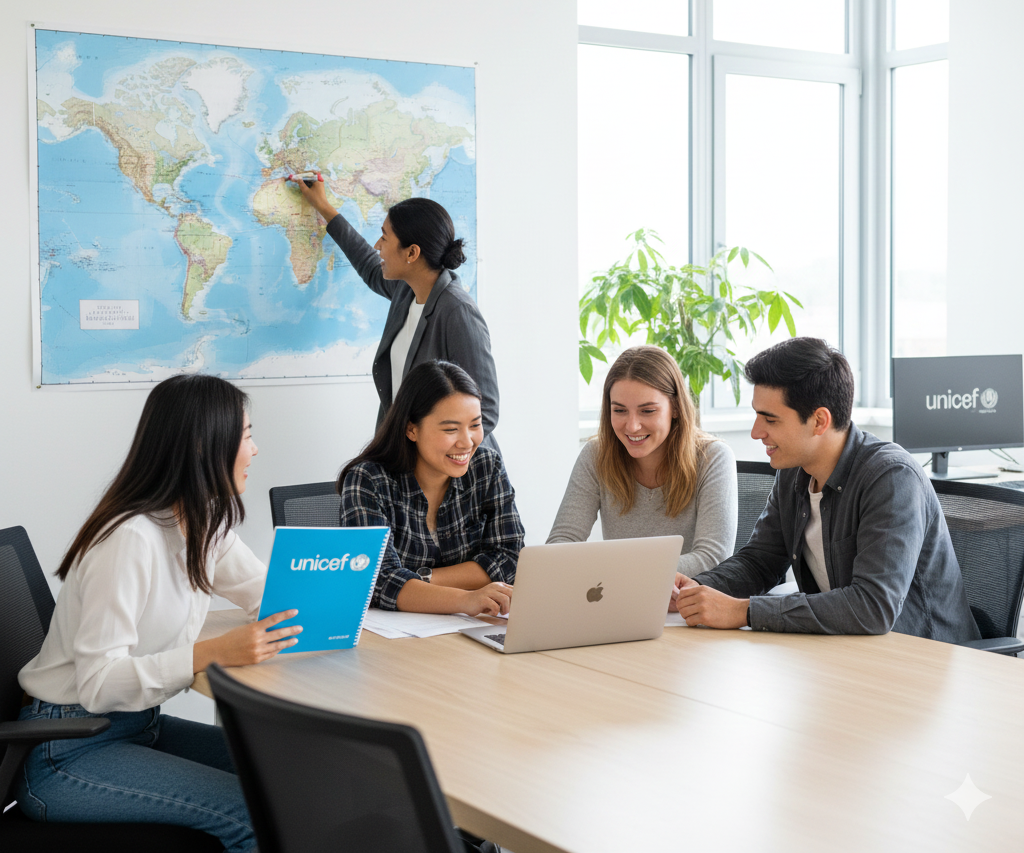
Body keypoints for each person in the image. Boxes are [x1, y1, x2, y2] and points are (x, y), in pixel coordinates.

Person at [16, 375, 302, 852]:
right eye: (247, 435)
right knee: (252, 815)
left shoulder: (201, 521)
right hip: (68, 749)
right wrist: (207, 653)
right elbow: (98, 683)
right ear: (202, 446)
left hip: (137, 728)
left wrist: (332, 584)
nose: (256, 449)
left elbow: (268, 594)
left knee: (292, 783)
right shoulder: (129, 539)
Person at [674, 337, 981, 643]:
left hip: (923, 659)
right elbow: (760, 562)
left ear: (819, 420)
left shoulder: (891, 478)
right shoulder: (794, 470)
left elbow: (873, 606)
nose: (757, 432)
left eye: (770, 419)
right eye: (757, 415)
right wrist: (695, 589)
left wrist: (745, 612)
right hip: (846, 652)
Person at [288, 176, 500, 446]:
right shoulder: (406, 291)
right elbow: (368, 264)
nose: (378, 245)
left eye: (385, 237)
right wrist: (323, 206)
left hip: (448, 470)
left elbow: (487, 412)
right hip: (405, 458)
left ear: (411, 253)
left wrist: (425, 448)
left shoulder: (457, 312)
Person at [547, 345, 738, 606]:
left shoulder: (713, 457)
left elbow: (712, 557)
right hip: (620, 605)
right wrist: (633, 576)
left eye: (648, 411)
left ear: (676, 408)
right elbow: (561, 544)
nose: (632, 425)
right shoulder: (596, 454)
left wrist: (613, 572)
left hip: (686, 611)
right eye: (619, 410)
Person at [339, 360, 524, 615]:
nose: (467, 442)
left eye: (475, 425)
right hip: (395, 638)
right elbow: (375, 580)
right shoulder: (368, 480)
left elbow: (510, 558)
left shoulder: (487, 466)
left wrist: (420, 579)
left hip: (471, 626)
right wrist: (467, 599)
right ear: (411, 429)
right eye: (451, 429)